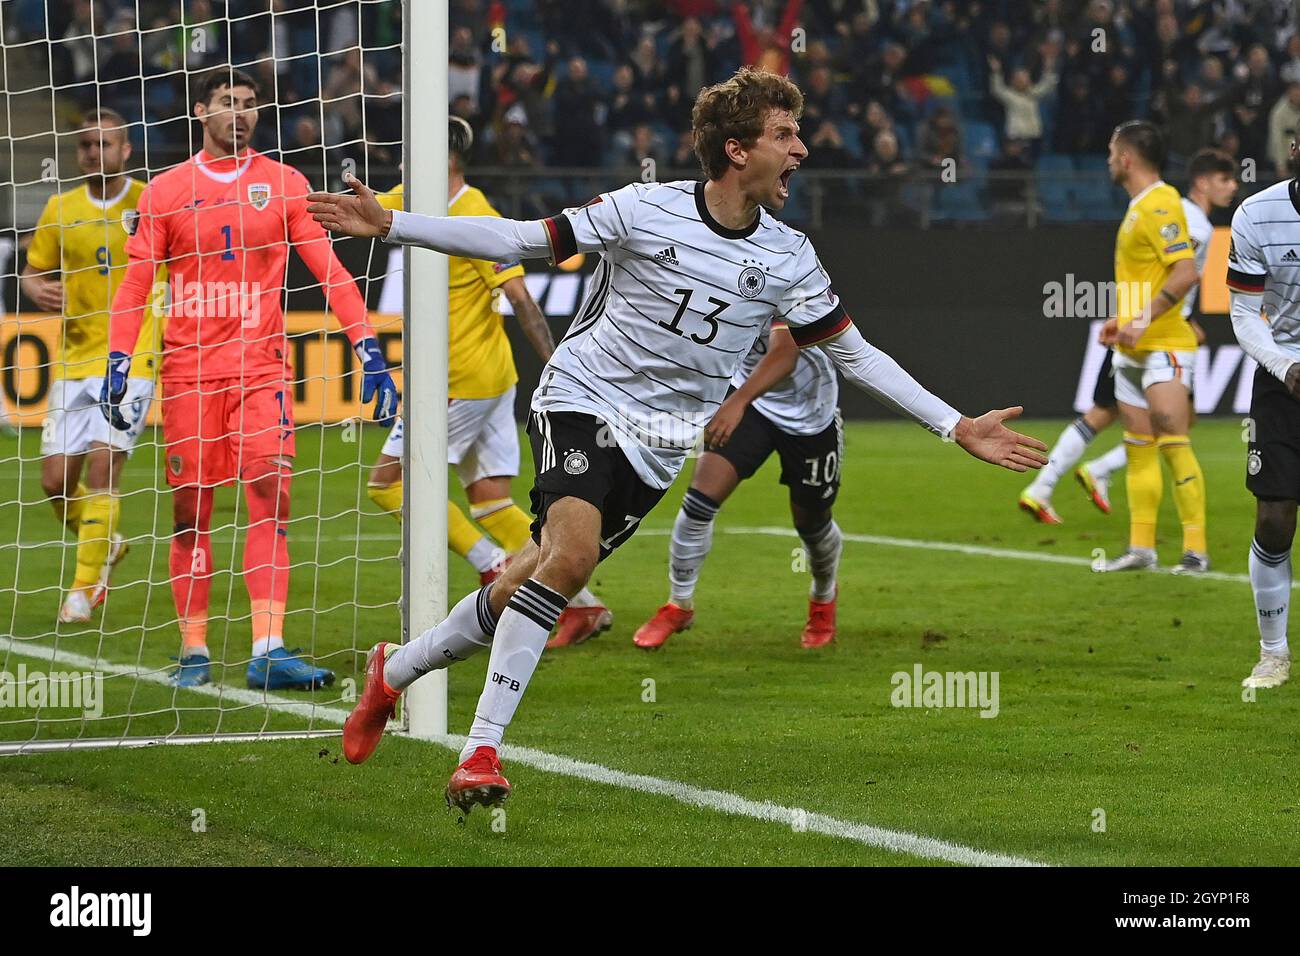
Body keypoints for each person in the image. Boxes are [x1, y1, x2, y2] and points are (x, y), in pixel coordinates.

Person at [308, 67, 1047, 813]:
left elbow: (855, 353)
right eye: (784, 136)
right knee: (570, 557)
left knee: (525, 578)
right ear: (736, 149)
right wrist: (393, 224)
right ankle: (481, 752)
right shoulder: (642, 210)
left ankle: (392, 672)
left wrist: (955, 424)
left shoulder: (790, 257)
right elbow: (523, 239)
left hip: (660, 441)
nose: (802, 151)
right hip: (582, 398)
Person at [102, 68, 397, 689]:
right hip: (188, 376)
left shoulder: (284, 184)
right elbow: (136, 285)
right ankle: (194, 651)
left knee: (271, 492)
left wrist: (368, 346)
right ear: (199, 111)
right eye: (227, 103)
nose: (240, 114)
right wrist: (119, 357)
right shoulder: (165, 192)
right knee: (192, 513)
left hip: (262, 370)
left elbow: (330, 271)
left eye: (250, 105)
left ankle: (269, 647)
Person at [1020, 148, 1236, 522]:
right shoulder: (1195, 224)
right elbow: (1178, 274)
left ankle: (1056, 484)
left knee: (1115, 415)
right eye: (1225, 179)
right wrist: (1160, 319)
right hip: (1149, 335)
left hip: (1142, 326)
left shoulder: (1176, 212)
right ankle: (1073, 479)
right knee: (1140, 420)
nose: (1233, 187)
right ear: (1203, 181)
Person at [21, 109, 161, 624]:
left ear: (126, 150)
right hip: (76, 357)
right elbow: (32, 271)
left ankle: (82, 591)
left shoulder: (148, 201)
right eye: (85, 145)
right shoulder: (61, 208)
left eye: (105, 144)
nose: (93, 153)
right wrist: (34, 286)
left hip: (134, 354)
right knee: (55, 484)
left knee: (105, 467)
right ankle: (107, 541)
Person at [634, 319, 843, 650]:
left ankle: (823, 595)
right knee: (699, 503)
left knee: (812, 524)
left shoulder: (787, 273)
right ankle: (679, 604)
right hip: (751, 405)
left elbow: (785, 354)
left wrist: (734, 402)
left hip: (809, 413)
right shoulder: (716, 274)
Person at [1095, 121, 1205, 574]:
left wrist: (1141, 320)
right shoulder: (1141, 206)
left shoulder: (1161, 203)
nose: (1106, 159)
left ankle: (1196, 551)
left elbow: (1186, 272)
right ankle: (1142, 549)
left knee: (1173, 442)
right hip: (1134, 349)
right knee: (1139, 447)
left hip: (1165, 347)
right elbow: (1152, 280)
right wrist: (1122, 322)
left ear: (1126, 158)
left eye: (1110, 151)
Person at [1224, 137, 1300, 689]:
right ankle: (1273, 653)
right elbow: (1245, 313)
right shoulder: (1257, 213)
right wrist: (1283, 366)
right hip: (1285, 380)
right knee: (1274, 520)